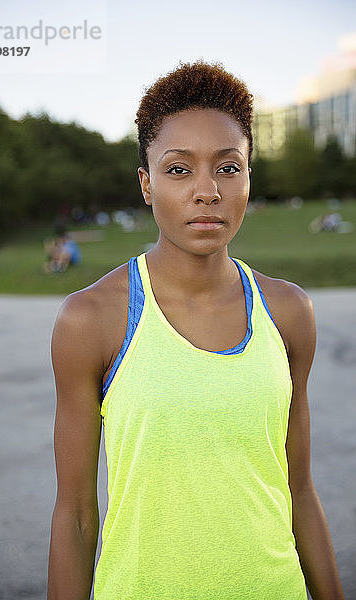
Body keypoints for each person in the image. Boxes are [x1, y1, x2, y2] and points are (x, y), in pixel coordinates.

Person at [47, 60, 345, 599]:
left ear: (249, 176)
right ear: (146, 183)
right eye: (179, 169)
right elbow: (74, 515)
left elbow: (299, 489)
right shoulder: (90, 320)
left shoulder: (289, 312)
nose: (207, 190)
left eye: (229, 167)